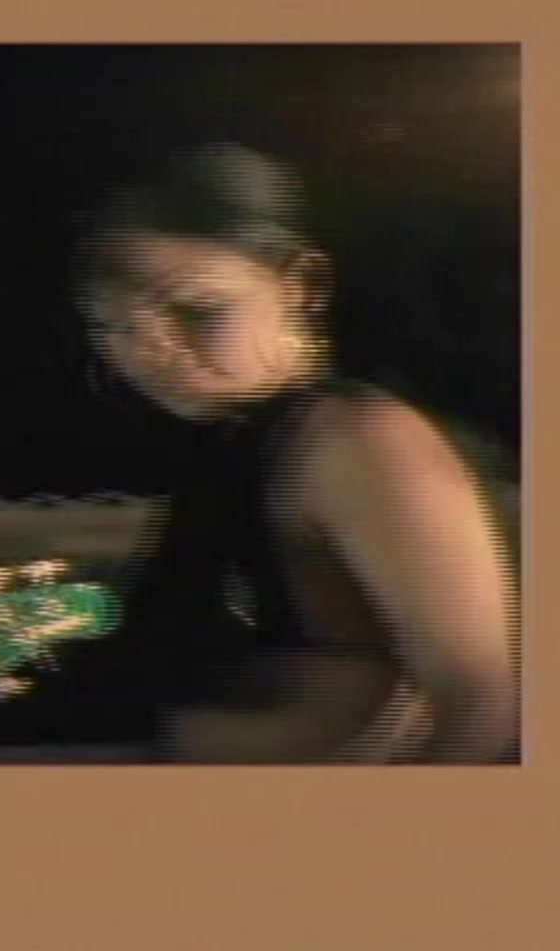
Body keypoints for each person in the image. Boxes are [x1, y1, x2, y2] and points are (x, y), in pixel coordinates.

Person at [63, 142, 517, 763]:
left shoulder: (356, 440)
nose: (153, 350)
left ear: (301, 284)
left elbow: (483, 700)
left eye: (199, 311)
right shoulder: (239, 441)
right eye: (114, 326)